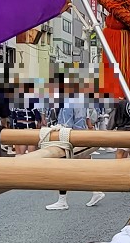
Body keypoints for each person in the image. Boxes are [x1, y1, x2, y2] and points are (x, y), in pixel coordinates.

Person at [45, 81, 104, 210]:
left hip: (71, 139)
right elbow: (89, 120)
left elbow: (65, 125)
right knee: (86, 167)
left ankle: (62, 200)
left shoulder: (68, 102)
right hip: (82, 137)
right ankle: (96, 190)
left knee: (62, 169)